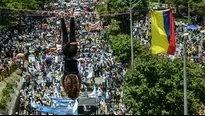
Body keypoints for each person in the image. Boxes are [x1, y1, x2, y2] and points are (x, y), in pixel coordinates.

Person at [60, 11, 82, 100]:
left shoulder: (76, 74)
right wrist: (65, 88)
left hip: (73, 51)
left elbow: (80, 78)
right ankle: (62, 17)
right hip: (66, 52)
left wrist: (79, 87)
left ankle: (72, 17)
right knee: (64, 34)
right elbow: (62, 79)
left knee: (72, 33)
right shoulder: (66, 73)